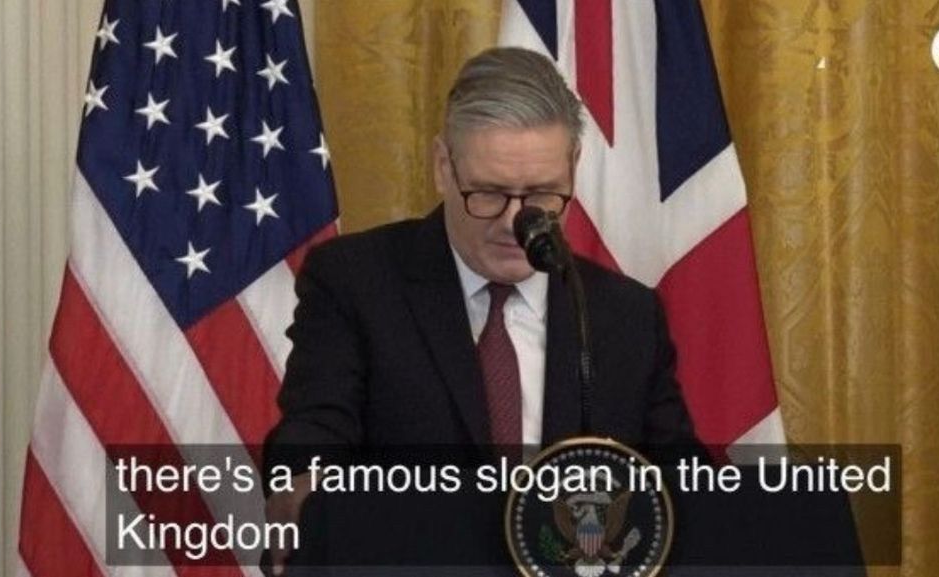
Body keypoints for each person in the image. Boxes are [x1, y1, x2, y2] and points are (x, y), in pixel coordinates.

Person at [262, 46, 699, 575]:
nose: (515, 221)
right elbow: (313, 440)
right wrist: (305, 495)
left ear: (573, 169)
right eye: (489, 193)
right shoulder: (356, 281)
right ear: (444, 166)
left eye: (541, 193)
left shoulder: (622, 314)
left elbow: (682, 482)